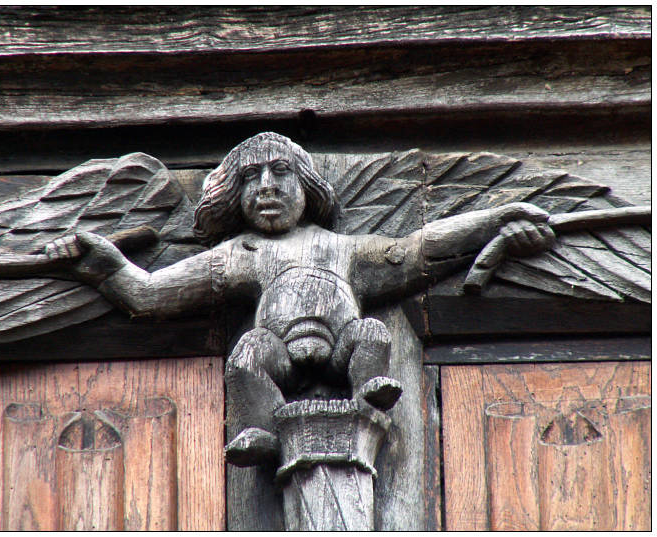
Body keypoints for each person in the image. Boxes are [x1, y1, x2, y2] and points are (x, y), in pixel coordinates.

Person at [46, 132, 554, 464]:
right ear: (233, 196)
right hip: (278, 350)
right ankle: (265, 430)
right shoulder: (240, 254)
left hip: (341, 343)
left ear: (308, 185)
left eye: (280, 172)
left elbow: (417, 249)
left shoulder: (345, 249)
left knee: (371, 332)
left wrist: (495, 219)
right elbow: (152, 293)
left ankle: (367, 390)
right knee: (247, 355)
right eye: (250, 177)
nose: (266, 186)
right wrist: (105, 267)